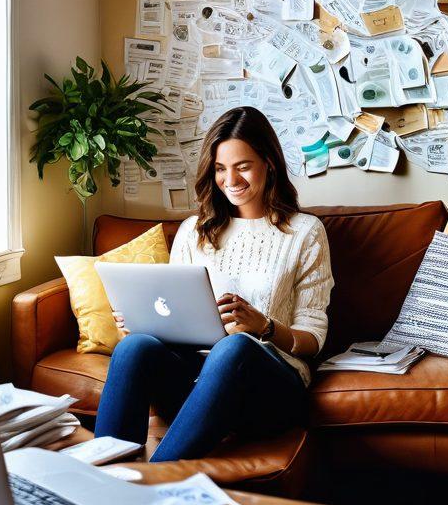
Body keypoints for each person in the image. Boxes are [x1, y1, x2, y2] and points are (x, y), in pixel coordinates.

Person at [93, 106, 333, 462]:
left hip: (269, 389)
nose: (230, 179)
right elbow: (172, 316)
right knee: (135, 347)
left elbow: (311, 341)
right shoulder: (195, 230)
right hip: (194, 383)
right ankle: (102, 476)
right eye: (221, 169)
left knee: (235, 346)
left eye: (243, 166)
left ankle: (153, 479)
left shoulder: (305, 232)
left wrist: (263, 327)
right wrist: (142, 323)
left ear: (268, 163)